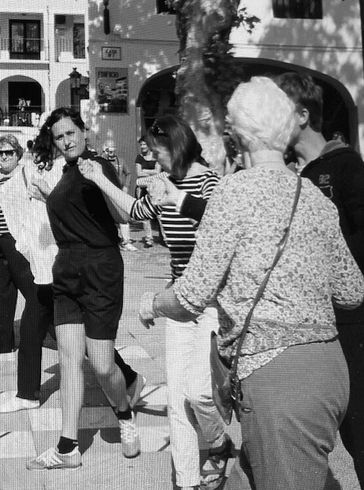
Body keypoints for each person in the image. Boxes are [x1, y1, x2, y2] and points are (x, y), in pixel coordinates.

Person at [140, 77, 364, 489]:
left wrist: (152, 303)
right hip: (331, 369)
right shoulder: (313, 195)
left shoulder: (232, 193)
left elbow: (191, 297)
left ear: (237, 135)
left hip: (277, 377)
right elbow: (352, 291)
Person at [81, 115, 230, 489]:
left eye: (156, 151)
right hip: (179, 300)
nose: (152, 160)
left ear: (176, 145)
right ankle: (187, 481)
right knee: (178, 399)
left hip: (213, 302)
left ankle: (216, 439)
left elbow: (222, 222)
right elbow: (134, 211)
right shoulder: (165, 183)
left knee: (198, 392)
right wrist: (100, 180)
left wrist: (177, 197)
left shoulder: (210, 182)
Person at [26, 107, 140, 470]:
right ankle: (67, 447)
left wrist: (103, 180)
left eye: (71, 133)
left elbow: (123, 216)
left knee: (103, 365)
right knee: (69, 361)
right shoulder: (66, 172)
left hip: (100, 270)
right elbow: (75, 215)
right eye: (59, 137)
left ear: (84, 131)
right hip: (68, 272)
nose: (66, 141)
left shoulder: (96, 166)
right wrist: (48, 197)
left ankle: (124, 413)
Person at [275, 71, 364, 485]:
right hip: (318, 328)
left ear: (303, 115)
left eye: (278, 110)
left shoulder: (346, 167)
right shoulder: (297, 177)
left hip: (354, 323)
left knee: (360, 431)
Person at [0, 135, 58, 414]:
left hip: (17, 240)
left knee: (33, 292)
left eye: (9, 152)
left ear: (18, 154)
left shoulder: (26, 172)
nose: (4, 157)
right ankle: (1, 342)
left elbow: (40, 203)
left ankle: (53, 330)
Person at [102, 141, 137, 251]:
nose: (111, 153)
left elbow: (129, 173)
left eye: (113, 150)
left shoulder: (120, 161)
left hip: (119, 191)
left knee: (123, 215)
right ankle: (111, 241)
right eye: (109, 150)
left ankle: (126, 241)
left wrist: (126, 186)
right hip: (106, 191)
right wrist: (103, 154)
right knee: (107, 217)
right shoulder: (102, 160)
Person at [133, 137, 158, 248]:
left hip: (156, 189)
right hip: (143, 189)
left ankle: (166, 238)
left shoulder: (156, 156)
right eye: (141, 144)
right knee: (145, 214)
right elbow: (138, 173)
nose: (142, 147)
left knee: (160, 213)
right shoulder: (139, 157)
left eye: (144, 144)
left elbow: (158, 172)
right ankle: (149, 239)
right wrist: (152, 173)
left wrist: (145, 171)